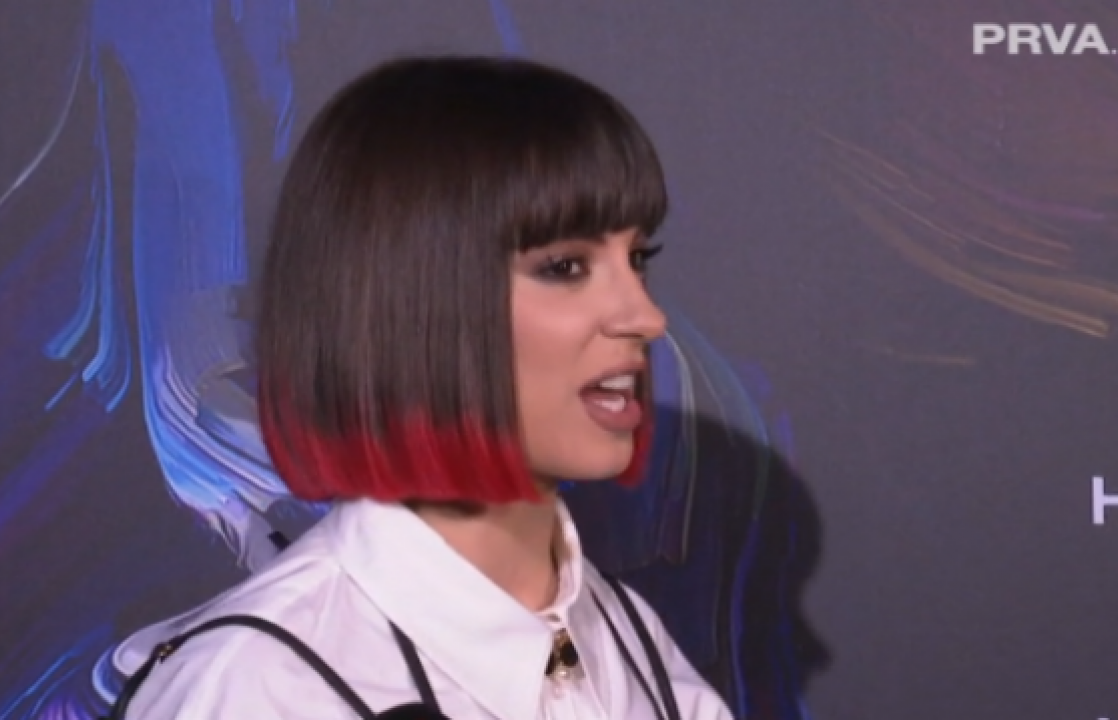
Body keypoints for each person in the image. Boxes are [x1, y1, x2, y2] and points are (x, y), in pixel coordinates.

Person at [107, 55, 734, 720]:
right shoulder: (259, 690)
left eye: (636, 259)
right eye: (565, 266)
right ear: (410, 303)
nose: (644, 316)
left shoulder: (634, 645)